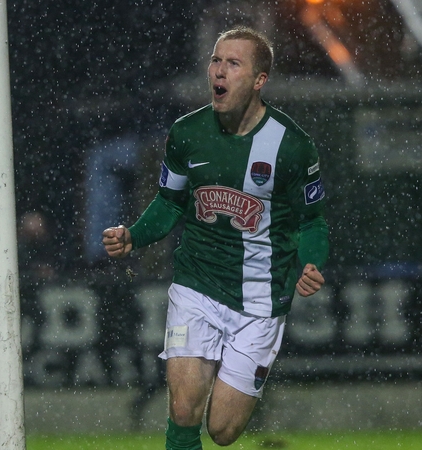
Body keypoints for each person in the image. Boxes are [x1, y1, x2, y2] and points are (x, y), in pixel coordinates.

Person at [101, 26, 329, 449]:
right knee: (184, 410)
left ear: (259, 80)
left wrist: (311, 263)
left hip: (261, 299)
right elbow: (169, 203)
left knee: (222, 431)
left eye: (233, 63)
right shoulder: (187, 134)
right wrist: (134, 234)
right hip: (196, 285)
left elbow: (312, 222)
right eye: (215, 60)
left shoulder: (292, 146)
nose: (218, 71)